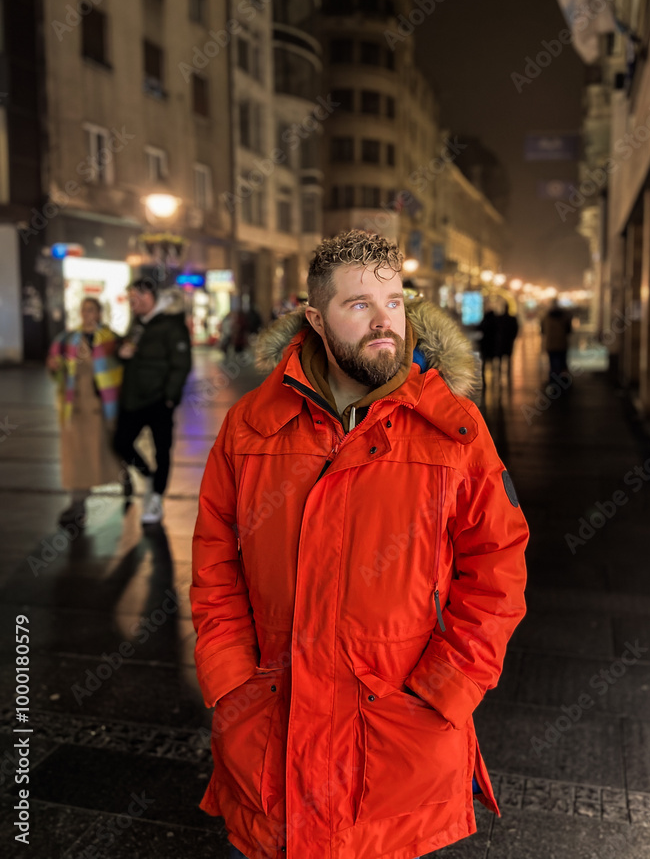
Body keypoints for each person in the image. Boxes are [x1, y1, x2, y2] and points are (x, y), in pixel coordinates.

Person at [191, 230, 529, 859]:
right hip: (269, 725)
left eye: (394, 302)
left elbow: (498, 566)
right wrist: (229, 673)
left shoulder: (452, 429)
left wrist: (448, 686)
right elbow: (215, 559)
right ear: (316, 319)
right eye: (359, 305)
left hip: (400, 737)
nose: (384, 322)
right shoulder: (252, 426)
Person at [114, 279, 192, 525]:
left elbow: (181, 364)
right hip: (133, 398)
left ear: (147, 296)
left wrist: (170, 397)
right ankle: (147, 475)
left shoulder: (172, 325)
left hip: (159, 400)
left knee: (162, 449)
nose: (131, 303)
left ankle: (157, 498)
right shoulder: (138, 323)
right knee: (120, 442)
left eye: (134, 298)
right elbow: (129, 351)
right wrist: (121, 353)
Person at [46, 297, 123, 526]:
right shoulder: (67, 339)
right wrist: (54, 367)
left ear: (99, 313)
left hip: (100, 408)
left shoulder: (110, 340)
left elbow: (121, 369)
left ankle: (125, 475)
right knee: (76, 460)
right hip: (74, 408)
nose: (87, 314)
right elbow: (57, 370)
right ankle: (77, 504)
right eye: (84, 310)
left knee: (106, 453)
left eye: (91, 310)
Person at [541, 297, 573, 381]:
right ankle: (563, 380)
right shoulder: (565, 317)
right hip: (562, 343)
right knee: (562, 363)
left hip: (550, 344)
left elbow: (542, 331)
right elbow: (569, 330)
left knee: (552, 363)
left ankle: (553, 380)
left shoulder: (546, 317)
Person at [497, 302, 519, 379]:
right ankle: (508, 373)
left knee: (501, 358)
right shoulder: (512, 319)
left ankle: (500, 373)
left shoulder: (500, 318)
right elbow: (515, 330)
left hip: (502, 341)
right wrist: (512, 338)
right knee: (508, 357)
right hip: (508, 341)